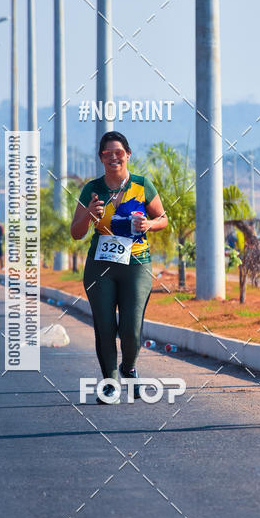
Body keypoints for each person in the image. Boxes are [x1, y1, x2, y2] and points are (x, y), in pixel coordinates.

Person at [70, 131, 168, 404]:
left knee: (130, 327)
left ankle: (129, 367)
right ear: (101, 158)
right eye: (107, 153)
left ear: (127, 154)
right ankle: (111, 381)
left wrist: (149, 224)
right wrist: (90, 214)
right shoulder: (92, 189)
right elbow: (76, 233)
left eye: (118, 152)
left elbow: (163, 218)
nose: (113, 157)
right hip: (100, 265)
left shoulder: (142, 184)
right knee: (104, 325)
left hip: (136, 263)